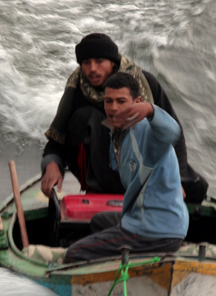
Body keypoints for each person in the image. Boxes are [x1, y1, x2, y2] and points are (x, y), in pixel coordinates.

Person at [41, 33, 207, 202]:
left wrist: (175, 178)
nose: (92, 69)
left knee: (195, 187)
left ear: (113, 63)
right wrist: (52, 165)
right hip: (102, 170)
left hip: (142, 159)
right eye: (86, 63)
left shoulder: (145, 83)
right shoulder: (76, 91)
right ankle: (97, 189)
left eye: (99, 61)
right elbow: (56, 144)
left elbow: (173, 135)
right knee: (86, 117)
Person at [65, 73, 189, 263]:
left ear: (137, 102)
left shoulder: (147, 131)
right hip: (157, 224)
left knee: (74, 254)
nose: (113, 108)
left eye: (121, 101)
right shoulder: (119, 134)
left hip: (153, 231)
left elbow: (172, 131)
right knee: (100, 221)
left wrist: (150, 110)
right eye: (108, 101)